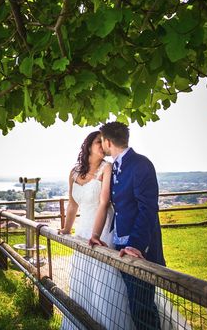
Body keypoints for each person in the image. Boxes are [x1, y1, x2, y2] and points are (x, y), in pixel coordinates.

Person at [91, 121, 165, 330]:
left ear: (107, 141)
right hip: (119, 247)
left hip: (139, 251)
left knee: (142, 310)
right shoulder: (114, 167)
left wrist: (136, 245)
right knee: (134, 307)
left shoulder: (141, 164)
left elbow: (148, 208)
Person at [59, 131, 135, 330]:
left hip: (101, 229)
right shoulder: (74, 172)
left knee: (104, 281)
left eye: (103, 142)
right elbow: (72, 205)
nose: (102, 146)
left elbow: (103, 203)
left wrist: (95, 234)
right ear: (88, 145)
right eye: (97, 142)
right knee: (82, 278)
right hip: (82, 230)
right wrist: (66, 229)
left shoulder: (106, 168)